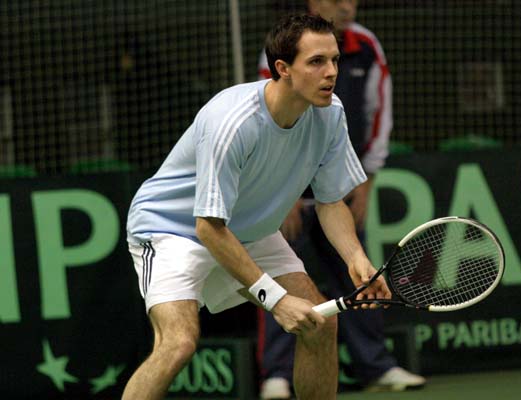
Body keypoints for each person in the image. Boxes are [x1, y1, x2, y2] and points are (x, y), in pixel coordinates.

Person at [122, 13, 391, 400]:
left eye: (334, 60)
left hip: (249, 231)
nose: (331, 72)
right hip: (173, 230)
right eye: (316, 62)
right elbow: (208, 227)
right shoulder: (233, 121)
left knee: (320, 323)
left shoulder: (330, 114)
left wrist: (356, 258)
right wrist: (276, 300)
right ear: (283, 68)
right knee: (178, 343)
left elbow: (330, 201)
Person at [257, 1, 426, 398]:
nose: (346, 5)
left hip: (340, 187)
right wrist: (284, 194)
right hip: (286, 195)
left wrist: (366, 178)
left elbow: (378, 112)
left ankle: (376, 366)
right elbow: (271, 116)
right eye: (336, 0)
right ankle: (277, 375)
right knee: (282, 282)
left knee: (359, 276)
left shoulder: (366, 46)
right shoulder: (287, 45)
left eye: (333, 61)